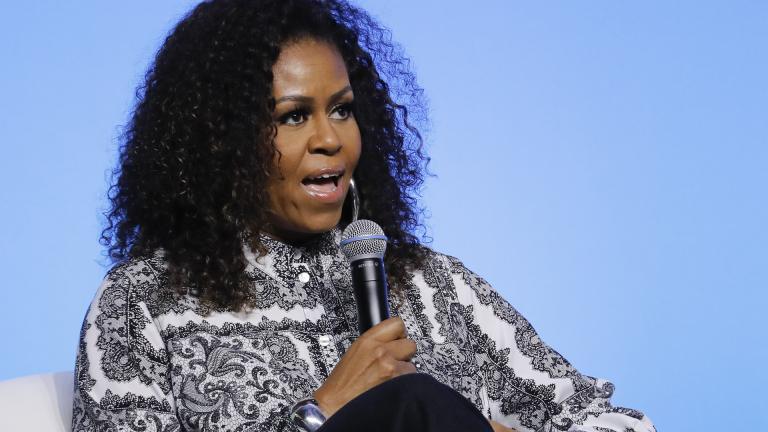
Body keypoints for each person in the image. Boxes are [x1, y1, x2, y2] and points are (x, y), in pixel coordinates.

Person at [71, 1, 655, 431]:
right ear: (220, 141)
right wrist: (322, 411)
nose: (331, 139)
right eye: (293, 116)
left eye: (343, 110)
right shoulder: (143, 302)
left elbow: (613, 423)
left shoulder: (430, 286)